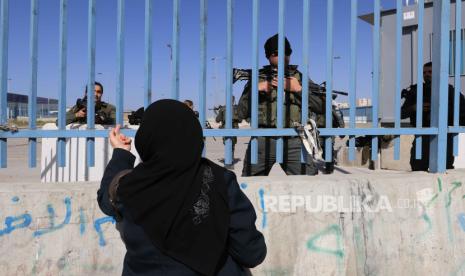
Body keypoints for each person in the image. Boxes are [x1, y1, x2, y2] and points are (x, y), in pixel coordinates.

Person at [98, 99, 266, 275]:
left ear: (145, 138)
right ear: (194, 135)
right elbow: (252, 253)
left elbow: (105, 199)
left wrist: (121, 154)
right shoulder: (220, 180)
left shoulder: (127, 187)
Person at [237, 34, 326, 176]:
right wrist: (255, 90)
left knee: (307, 186)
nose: (282, 56)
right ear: (268, 56)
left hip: (295, 140)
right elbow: (241, 112)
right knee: (250, 185)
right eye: (276, 53)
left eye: (287, 52)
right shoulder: (257, 78)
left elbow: (321, 107)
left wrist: (299, 90)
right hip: (262, 140)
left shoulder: (300, 78)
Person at [401, 62, 465, 171]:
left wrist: (441, 111)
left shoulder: (449, 90)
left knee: (444, 170)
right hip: (422, 137)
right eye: (424, 72)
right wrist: (414, 108)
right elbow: (401, 114)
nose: (427, 74)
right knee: (418, 170)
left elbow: (462, 111)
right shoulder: (416, 91)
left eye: (430, 72)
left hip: (444, 137)